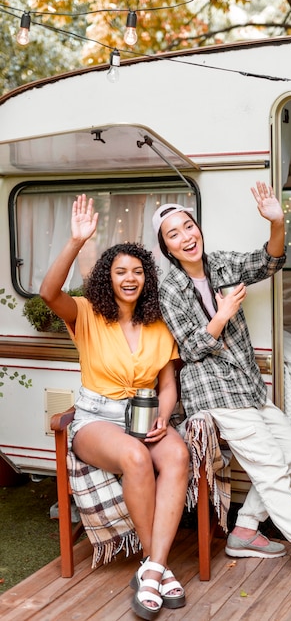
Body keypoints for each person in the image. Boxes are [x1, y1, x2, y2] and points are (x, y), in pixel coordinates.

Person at [153, 181, 291, 584]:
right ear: (167, 248)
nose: (185, 236)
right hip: (212, 389)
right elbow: (192, 348)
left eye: (188, 226)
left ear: (198, 229)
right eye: (173, 234)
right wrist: (224, 312)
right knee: (268, 468)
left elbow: (270, 261)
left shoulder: (222, 264)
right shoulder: (169, 290)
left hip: (247, 385)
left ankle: (245, 529)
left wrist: (277, 222)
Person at [40, 194, 190, 620]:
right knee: (135, 456)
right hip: (96, 421)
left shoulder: (159, 324)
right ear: (107, 277)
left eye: (138, 271)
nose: (130, 278)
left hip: (145, 416)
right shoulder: (86, 313)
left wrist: (165, 412)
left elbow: (168, 382)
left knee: (177, 453)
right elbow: (48, 292)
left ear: (147, 279)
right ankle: (156, 565)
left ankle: (153, 569)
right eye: (121, 271)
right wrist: (74, 242)